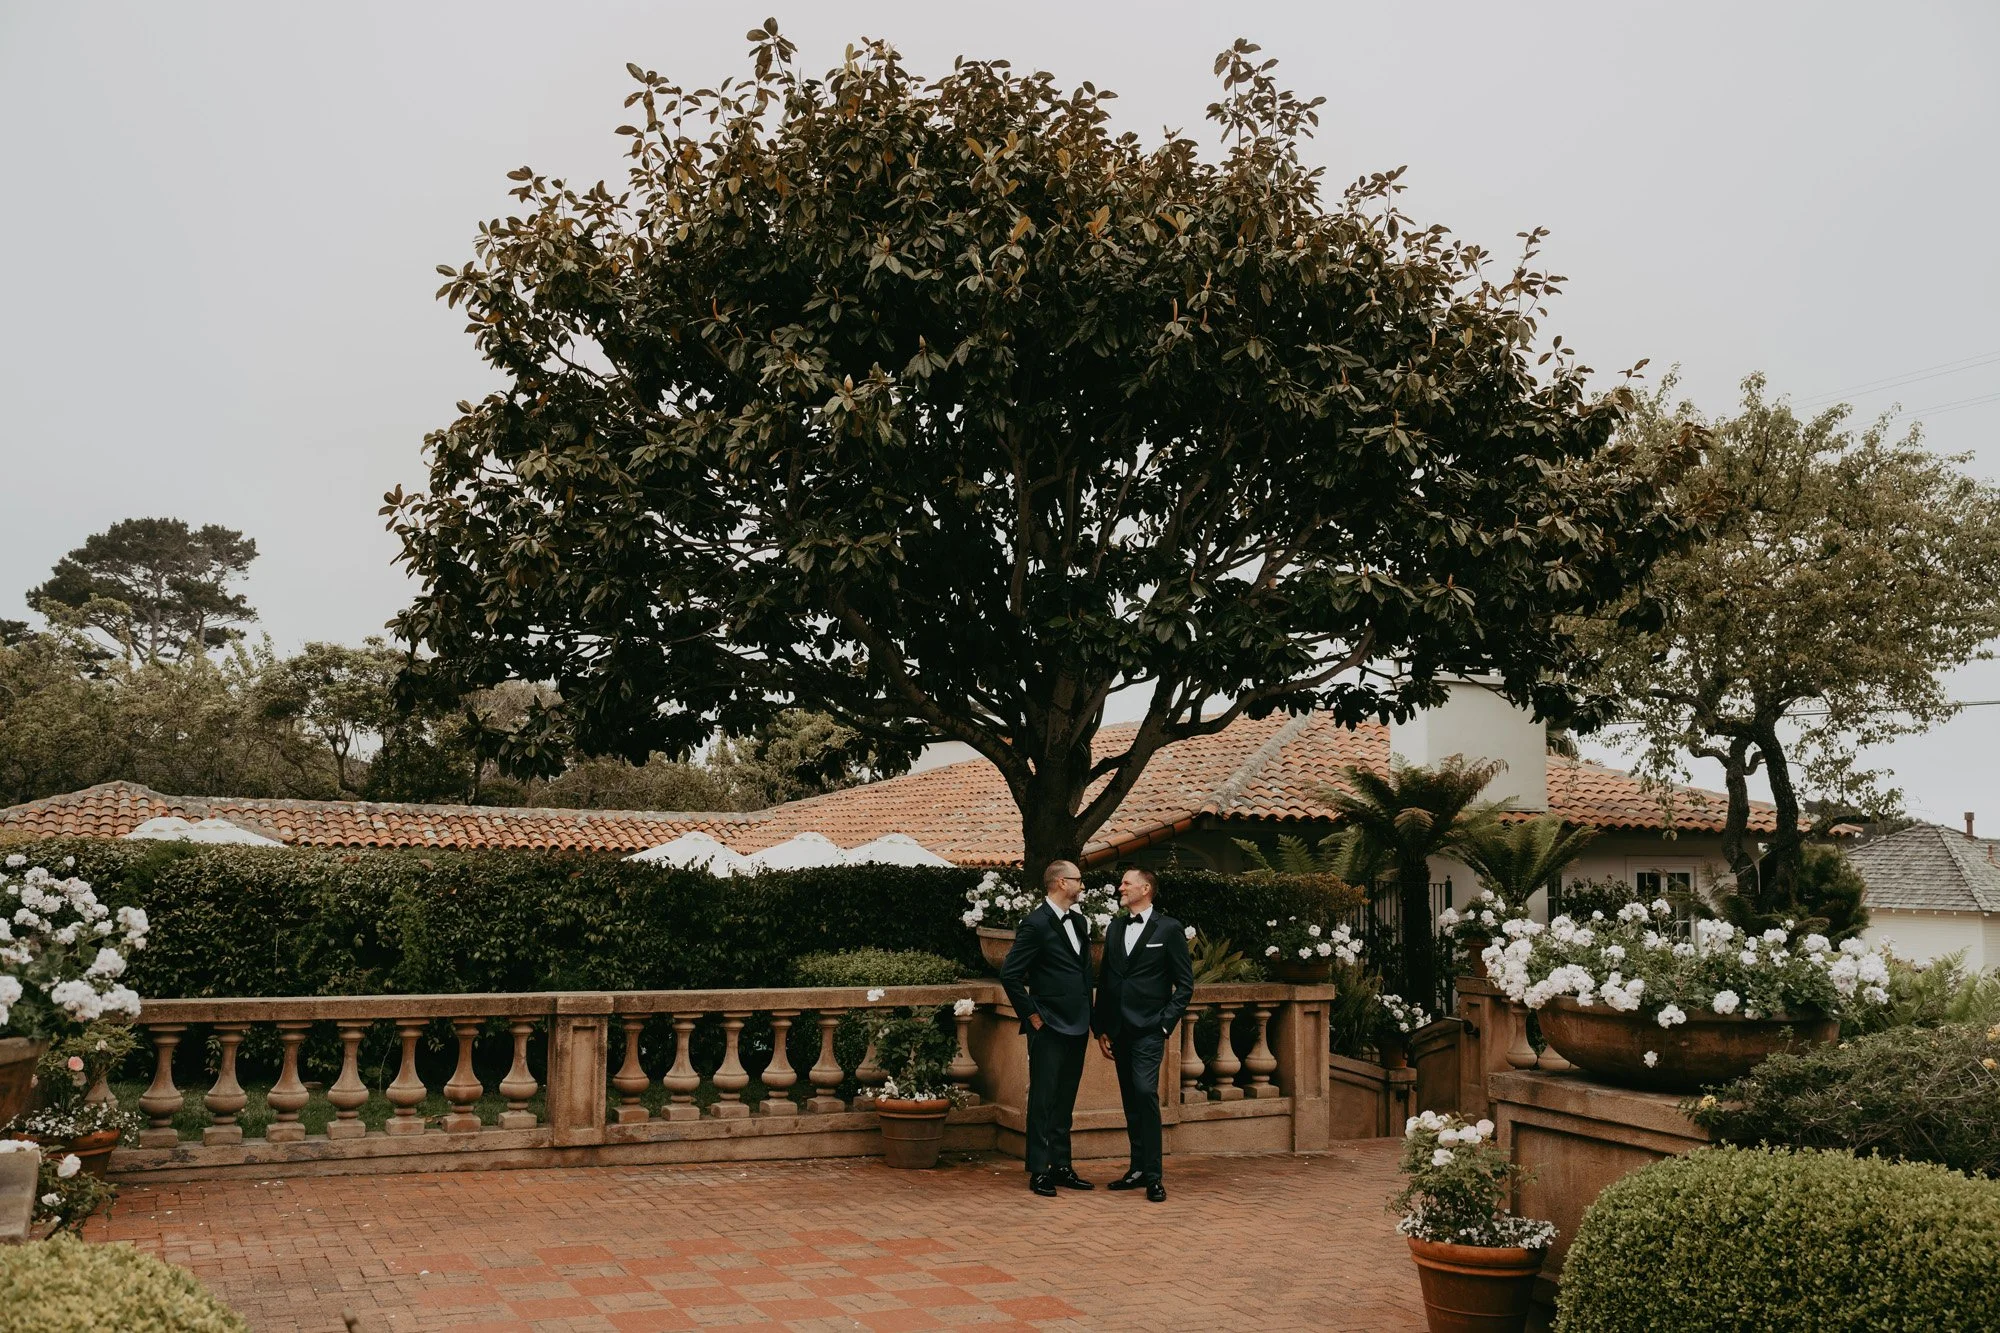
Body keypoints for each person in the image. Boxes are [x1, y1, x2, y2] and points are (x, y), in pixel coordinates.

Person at [1092, 864, 1194, 1203]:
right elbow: (1107, 980)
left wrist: (1165, 1024)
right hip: (1118, 1030)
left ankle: (1154, 1176)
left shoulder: (1170, 929)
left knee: (1144, 1092)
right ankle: (1136, 1170)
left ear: (1145, 889)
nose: (1120, 888)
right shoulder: (1116, 927)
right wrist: (1101, 1028)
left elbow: (1185, 985)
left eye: (1126, 883)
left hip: (1150, 1029)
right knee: (1130, 1101)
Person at [998, 859, 1096, 1197]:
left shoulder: (1081, 922)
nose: (1082, 885)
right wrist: (1033, 1016)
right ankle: (1039, 1170)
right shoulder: (1035, 923)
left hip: (1079, 1024)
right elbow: (1009, 975)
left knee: (1065, 1099)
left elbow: (1085, 975)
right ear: (1059, 883)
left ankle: (1062, 1167)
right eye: (1077, 880)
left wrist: (1092, 1018)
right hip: (1048, 1025)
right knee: (1042, 1098)